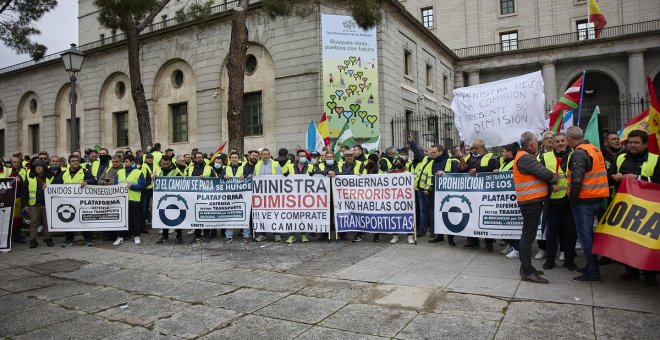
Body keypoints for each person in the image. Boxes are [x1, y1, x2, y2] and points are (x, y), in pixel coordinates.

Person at [610, 130, 659, 286]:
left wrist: (637, 178)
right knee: (627, 241)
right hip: (626, 207)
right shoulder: (620, 157)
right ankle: (631, 270)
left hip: (649, 209)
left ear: (645, 144)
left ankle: (650, 274)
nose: (632, 145)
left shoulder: (656, 159)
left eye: (636, 142)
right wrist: (614, 177)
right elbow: (609, 175)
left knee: (647, 242)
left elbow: (658, 180)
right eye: (630, 142)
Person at [566, 126, 609, 282]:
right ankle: (591, 266)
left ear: (570, 139)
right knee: (588, 234)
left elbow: (577, 180)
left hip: (584, 200)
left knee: (585, 236)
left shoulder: (578, 153)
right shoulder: (594, 149)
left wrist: (572, 198)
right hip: (596, 198)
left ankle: (593, 271)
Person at [512, 131, 556, 284]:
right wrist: (554, 177)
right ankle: (526, 270)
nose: (538, 143)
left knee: (527, 236)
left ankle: (526, 268)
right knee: (528, 237)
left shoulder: (523, 156)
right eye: (537, 141)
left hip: (530, 201)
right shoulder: (525, 157)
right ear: (531, 143)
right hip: (530, 202)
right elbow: (544, 173)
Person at [539, 133, 578, 271]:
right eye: (557, 141)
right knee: (552, 232)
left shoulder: (576, 154)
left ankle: (569, 260)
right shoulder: (545, 156)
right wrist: (550, 183)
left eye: (563, 140)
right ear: (553, 144)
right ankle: (550, 259)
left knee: (570, 233)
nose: (560, 143)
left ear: (567, 141)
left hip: (571, 200)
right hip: (554, 201)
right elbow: (540, 175)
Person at [464, 139, 499, 250]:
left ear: (482, 147)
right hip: (472, 190)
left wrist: (477, 169)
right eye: (473, 148)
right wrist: (463, 168)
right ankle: (473, 241)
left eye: (476, 148)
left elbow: (494, 168)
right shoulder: (472, 157)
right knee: (471, 215)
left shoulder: (490, 156)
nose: (474, 150)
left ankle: (489, 244)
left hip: (485, 191)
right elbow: (468, 170)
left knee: (484, 217)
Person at [59, 154, 97, 247]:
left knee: (84, 221)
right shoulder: (63, 173)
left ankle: (88, 239)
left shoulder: (84, 171)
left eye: (77, 160)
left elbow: (94, 180)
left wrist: (87, 182)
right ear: (69, 163)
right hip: (68, 202)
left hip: (82, 202)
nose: (75, 162)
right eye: (73, 161)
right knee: (69, 221)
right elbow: (55, 184)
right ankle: (69, 240)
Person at [424, 145, 459, 246]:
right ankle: (439, 236)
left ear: (441, 151)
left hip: (448, 194)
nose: (431, 154)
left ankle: (450, 238)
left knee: (449, 214)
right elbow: (428, 177)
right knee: (436, 215)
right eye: (431, 152)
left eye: (434, 152)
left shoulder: (450, 161)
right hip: (434, 194)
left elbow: (456, 175)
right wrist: (427, 189)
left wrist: (445, 173)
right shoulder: (432, 163)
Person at [113, 154, 146, 246]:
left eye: (126, 161)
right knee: (121, 219)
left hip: (133, 199)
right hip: (122, 199)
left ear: (132, 162)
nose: (125, 163)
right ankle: (120, 237)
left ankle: (136, 236)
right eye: (124, 161)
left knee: (135, 219)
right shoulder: (120, 172)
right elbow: (116, 184)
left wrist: (132, 186)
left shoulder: (138, 172)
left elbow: (142, 186)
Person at [21, 160, 55, 248]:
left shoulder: (50, 177)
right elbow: (24, 192)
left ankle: (49, 238)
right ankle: (33, 240)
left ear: (44, 168)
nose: (38, 168)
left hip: (47, 204)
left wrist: (48, 187)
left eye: (40, 166)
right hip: (33, 204)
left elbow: (56, 189)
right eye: (36, 166)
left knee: (48, 222)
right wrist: (25, 205)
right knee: (33, 222)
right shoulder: (30, 177)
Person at [283, 149, 313, 243]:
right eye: (301, 156)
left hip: (305, 196)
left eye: (304, 156)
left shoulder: (310, 166)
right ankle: (291, 235)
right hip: (292, 196)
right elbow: (281, 176)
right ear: (297, 157)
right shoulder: (290, 166)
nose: (303, 158)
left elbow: (316, 178)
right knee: (292, 216)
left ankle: (303, 234)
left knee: (303, 215)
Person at [253, 148, 283, 242]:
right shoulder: (257, 165)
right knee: (262, 214)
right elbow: (254, 177)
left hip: (273, 194)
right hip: (261, 195)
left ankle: (276, 234)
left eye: (267, 154)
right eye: (263, 154)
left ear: (270, 155)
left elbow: (280, 178)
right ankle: (262, 234)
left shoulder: (275, 164)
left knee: (274, 214)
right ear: (261, 156)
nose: (265, 156)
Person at [222, 151, 251, 243]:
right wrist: (223, 176)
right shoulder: (226, 168)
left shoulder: (243, 167)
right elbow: (220, 176)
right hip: (229, 197)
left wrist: (245, 175)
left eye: (236, 157)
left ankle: (246, 235)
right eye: (232, 157)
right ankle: (229, 235)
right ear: (230, 159)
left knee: (244, 215)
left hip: (242, 196)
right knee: (229, 216)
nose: (234, 159)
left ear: (239, 159)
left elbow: (248, 175)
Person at [155, 156, 184, 244]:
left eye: (167, 164)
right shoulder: (159, 171)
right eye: (163, 164)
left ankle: (179, 236)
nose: (165, 165)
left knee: (178, 216)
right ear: (161, 163)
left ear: (170, 163)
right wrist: (153, 179)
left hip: (175, 198)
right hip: (163, 198)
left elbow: (183, 182)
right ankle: (165, 236)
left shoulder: (176, 171)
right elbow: (154, 184)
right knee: (163, 216)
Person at [499, 143, 521, 259]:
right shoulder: (504, 162)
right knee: (507, 223)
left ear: (509, 152)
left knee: (515, 224)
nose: (502, 153)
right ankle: (510, 245)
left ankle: (517, 248)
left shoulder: (515, 162)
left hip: (513, 196)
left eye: (503, 151)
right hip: (505, 197)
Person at [188, 151, 215, 243]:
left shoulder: (208, 168)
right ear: (194, 159)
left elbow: (215, 180)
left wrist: (206, 178)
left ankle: (206, 234)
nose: (200, 159)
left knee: (206, 215)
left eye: (201, 157)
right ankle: (197, 235)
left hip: (206, 195)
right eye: (198, 157)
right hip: (194, 195)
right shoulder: (190, 168)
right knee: (195, 215)